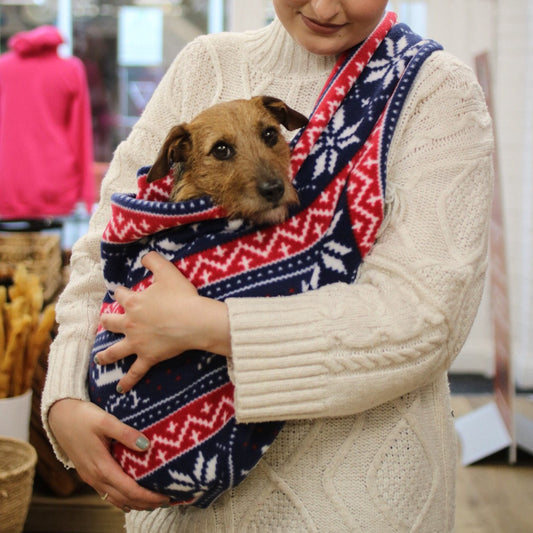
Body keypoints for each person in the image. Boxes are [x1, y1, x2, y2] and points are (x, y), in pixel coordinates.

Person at [42, 1, 494, 531]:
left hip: (355, 507)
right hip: (178, 510)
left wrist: (209, 326)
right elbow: (107, 245)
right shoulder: (203, 67)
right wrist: (65, 398)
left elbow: (424, 318)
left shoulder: (436, 93)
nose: (324, 6)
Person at [0, 25, 94, 220]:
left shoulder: (3, 67)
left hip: (7, 184)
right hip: (55, 187)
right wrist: (86, 195)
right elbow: (80, 134)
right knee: (53, 249)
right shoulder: (71, 69)